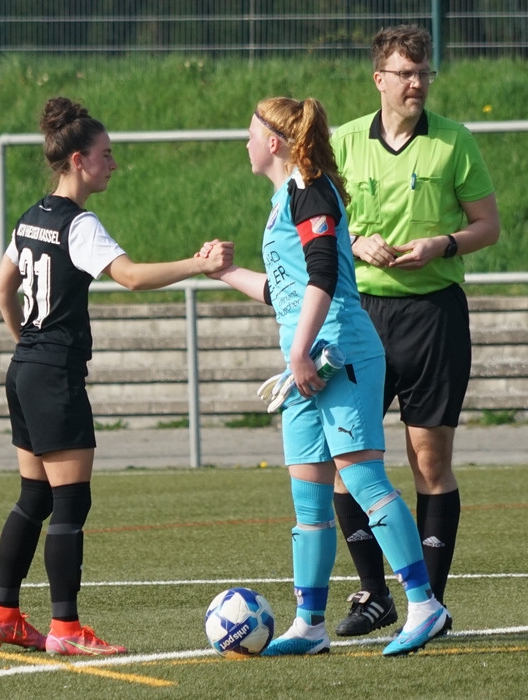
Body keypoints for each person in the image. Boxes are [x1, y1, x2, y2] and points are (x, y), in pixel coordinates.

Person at [0, 96, 233, 657]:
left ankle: (4, 615)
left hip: (24, 371)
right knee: (70, 504)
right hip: (53, 375)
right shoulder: (79, 224)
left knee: (33, 498)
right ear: (78, 160)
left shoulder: (31, 216)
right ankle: (66, 629)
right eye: (106, 154)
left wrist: (27, 345)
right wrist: (200, 265)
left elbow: (2, 288)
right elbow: (133, 277)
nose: (113, 164)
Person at [201, 96, 449, 657]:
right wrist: (227, 272)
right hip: (307, 364)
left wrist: (299, 354)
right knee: (308, 500)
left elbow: (323, 276)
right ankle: (309, 625)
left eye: (250, 133)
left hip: (339, 354)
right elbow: (284, 290)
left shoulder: (310, 190)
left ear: (274, 143)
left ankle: (424, 605)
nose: (245, 142)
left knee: (364, 481)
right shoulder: (283, 200)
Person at [329, 24, 501, 638]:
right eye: (406, 73)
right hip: (360, 317)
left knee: (429, 460)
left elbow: (487, 225)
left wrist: (442, 243)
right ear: (379, 78)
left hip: (434, 316)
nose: (418, 83)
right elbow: (317, 222)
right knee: (347, 459)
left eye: (424, 72)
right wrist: (355, 241)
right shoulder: (343, 142)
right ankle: (374, 595)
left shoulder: (454, 141)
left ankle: (430, 606)